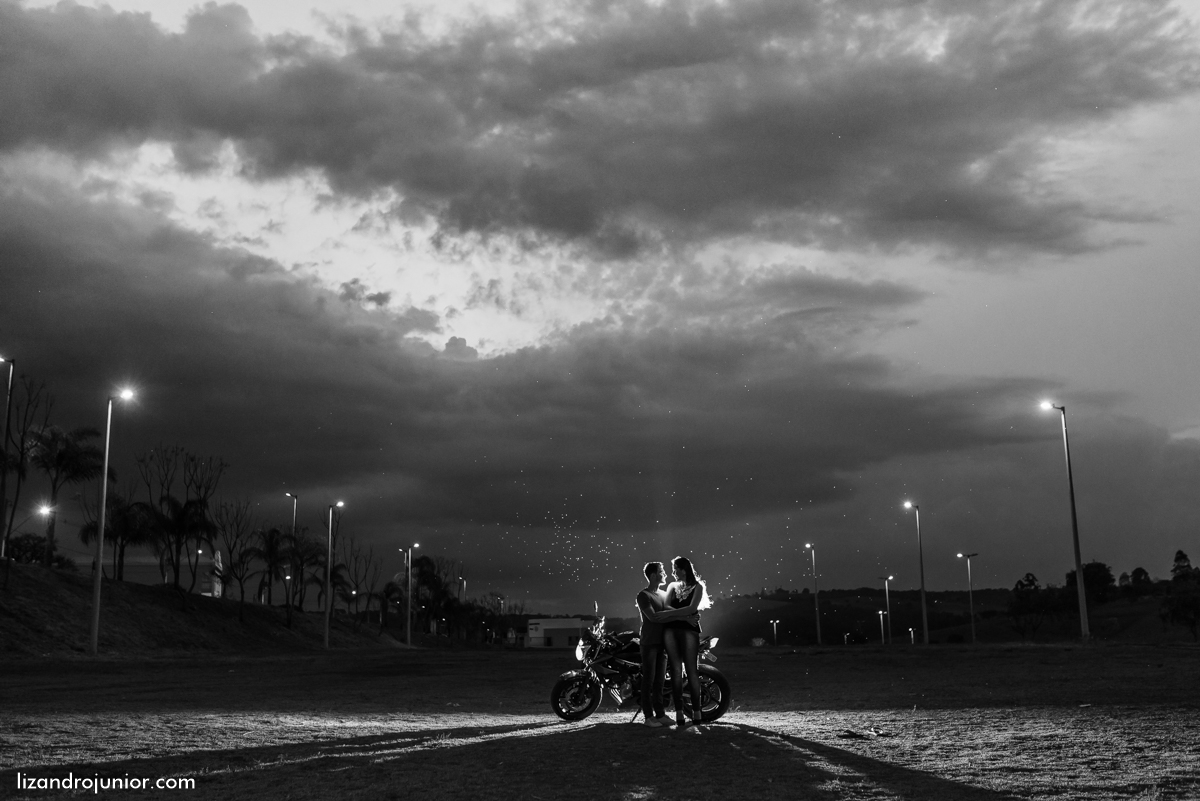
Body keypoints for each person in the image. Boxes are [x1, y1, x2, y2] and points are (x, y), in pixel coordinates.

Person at [662, 555, 711, 731]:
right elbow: (666, 607)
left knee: (692, 670)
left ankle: (697, 712)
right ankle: (679, 713)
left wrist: (678, 614)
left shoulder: (698, 586)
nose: (673, 573)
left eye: (675, 569)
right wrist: (684, 617)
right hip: (672, 629)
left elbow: (693, 608)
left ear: (683, 569)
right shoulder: (672, 586)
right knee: (675, 670)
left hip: (690, 630)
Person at [634, 562, 671, 728]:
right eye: (661, 571)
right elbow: (652, 617)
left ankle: (661, 714)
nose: (664, 573)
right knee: (648, 680)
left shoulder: (664, 594)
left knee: (659, 682)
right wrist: (672, 616)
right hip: (649, 643)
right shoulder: (643, 595)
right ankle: (648, 717)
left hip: (662, 644)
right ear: (653, 575)